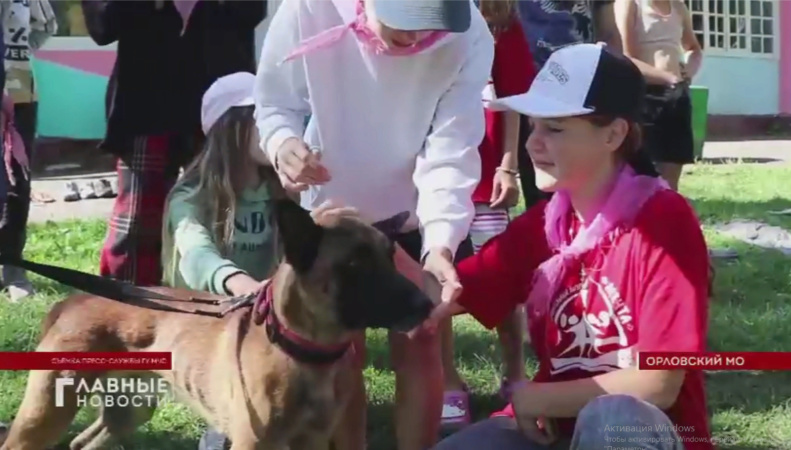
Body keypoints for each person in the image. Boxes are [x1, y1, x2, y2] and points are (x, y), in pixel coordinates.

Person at [424, 43, 712, 449]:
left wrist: (536, 396)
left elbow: (660, 383)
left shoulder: (664, 221)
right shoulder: (546, 223)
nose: (531, 144)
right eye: (533, 126)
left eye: (554, 128)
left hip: (642, 431)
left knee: (612, 415)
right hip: (552, 430)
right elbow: (443, 294)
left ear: (614, 134)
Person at [253, 0, 493, 447]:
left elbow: (452, 145)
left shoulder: (470, 33)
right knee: (340, 352)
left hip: (416, 209)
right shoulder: (309, 7)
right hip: (332, 210)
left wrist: (439, 242)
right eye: (406, 23)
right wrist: (283, 143)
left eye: (431, 26)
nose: (418, 39)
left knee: (421, 338)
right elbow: (274, 101)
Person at [81, 0, 266, 287]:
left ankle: (228, 298)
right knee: (138, 220)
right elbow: (102, 25)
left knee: (225, 212)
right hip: (146, 100)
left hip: (220, 103)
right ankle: (127, 304)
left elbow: (252, 11)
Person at [161, 72, 282, 450]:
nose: (278, 127)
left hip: (269, 316)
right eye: (264, 117)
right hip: (209, 320)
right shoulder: (191, 197)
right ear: (232, 127)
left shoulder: (282, 190)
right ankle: (223, 428)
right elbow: (196, 256)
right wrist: (242, 284)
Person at [448, 0, 536, 418]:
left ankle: (515, 370)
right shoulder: (424, 15)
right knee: (437, 277)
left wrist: (508, 166)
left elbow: (514, 97)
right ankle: (446, 378)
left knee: (499, 273)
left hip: (486, 179)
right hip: (431, 175)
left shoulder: (503, 21)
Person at [514, 0, 624, 211]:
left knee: (598, 194)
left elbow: (609, 33)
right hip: (529, 93)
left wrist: (611, 86)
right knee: (542, 201)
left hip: (583, 94)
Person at [0, 0, 57, 301]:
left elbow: (46, 25)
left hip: (19, 90)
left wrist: (15, 60)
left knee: (16, 182)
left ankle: (12, 267)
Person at [614, 0, 703, 191]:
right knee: (643, 172)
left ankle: (669, 215)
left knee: (672, 170)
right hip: (645, 97)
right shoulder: (630, 4)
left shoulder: (679, 7)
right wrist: (667, 78)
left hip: (676, 95)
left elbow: (693, 48)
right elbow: (627, 58)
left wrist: (689, 70)